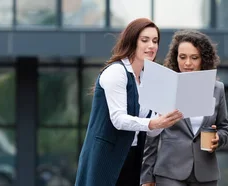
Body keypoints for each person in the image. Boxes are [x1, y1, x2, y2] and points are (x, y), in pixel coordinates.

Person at [74, 18, 184, 186]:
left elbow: (150, 129)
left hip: (132, 156)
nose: (152, 45)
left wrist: (164, 121)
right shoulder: (116, 72)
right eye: (145, 40)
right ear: (132, 41)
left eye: (155, 41)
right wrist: (153, 123)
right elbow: (119, 119)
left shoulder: (149, 78)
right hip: (105, 157)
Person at [140, 30, 228, 186]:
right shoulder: (165, 86)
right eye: (182, 57)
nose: (187, 63)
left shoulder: (217, 89)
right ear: (176, 58)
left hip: (205, 174)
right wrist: (147, 176)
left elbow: (224, 127)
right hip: (169, 172)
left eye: (194, 58)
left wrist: (219, 138)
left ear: (203, 59)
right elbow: (152, 137)